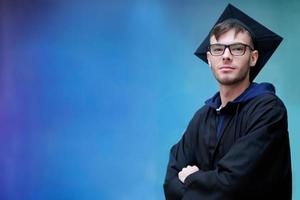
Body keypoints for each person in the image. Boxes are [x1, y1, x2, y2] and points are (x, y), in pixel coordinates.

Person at [163, 4, 292, 200]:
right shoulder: (202, 117)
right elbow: (170, 183)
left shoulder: (268, 111)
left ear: (253, 58)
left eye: (238, 48)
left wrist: (191, 179)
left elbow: (233, 186)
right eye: (217, 49)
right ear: (209, 58)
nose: (226, 55)